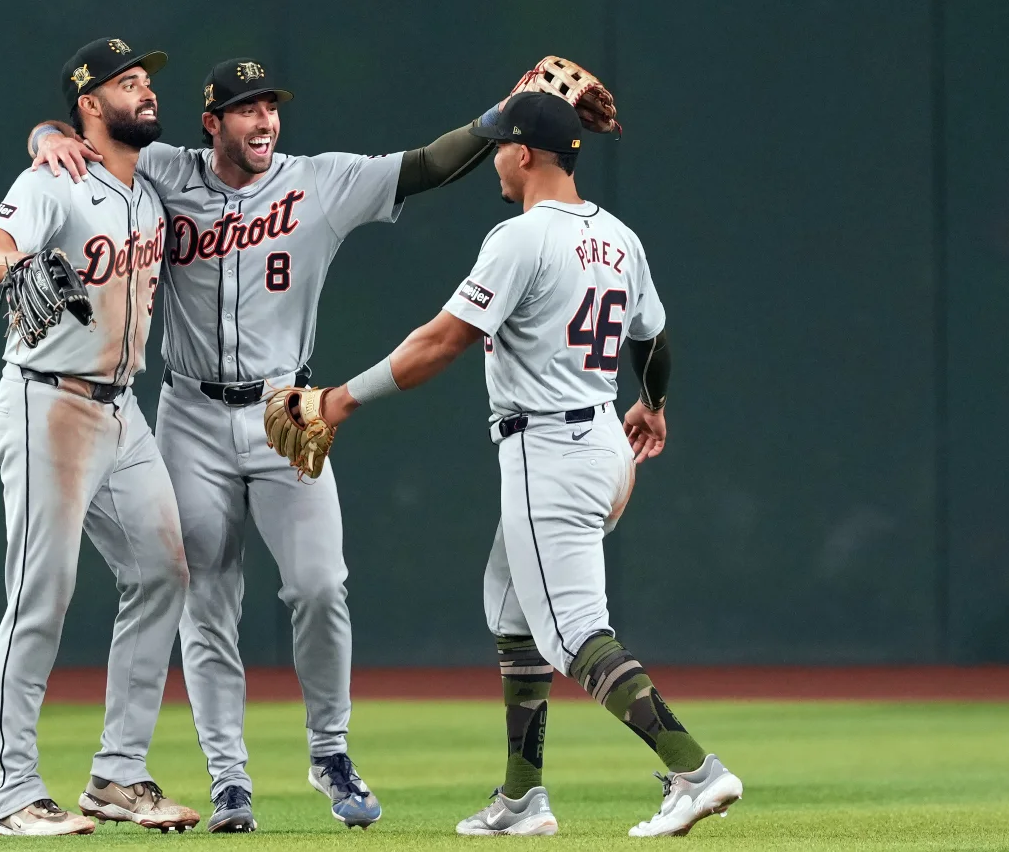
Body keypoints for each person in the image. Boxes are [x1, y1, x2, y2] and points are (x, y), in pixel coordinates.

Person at [25, 56, 505, 831]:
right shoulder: (167, 170)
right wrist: (46, 131)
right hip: (189, 411)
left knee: (320, 584)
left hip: (290, 407)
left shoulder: (322, 179)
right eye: (245, 109)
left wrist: (500, 118)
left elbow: (423, 167)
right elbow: (90, 138)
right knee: (205, 597)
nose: (263, 121)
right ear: (212, 122)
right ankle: (228, 779)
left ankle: (330, 751)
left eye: (270, 107)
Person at [275, 92, 745, 838]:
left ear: (524, 154)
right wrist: (652, 403)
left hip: (548, 450)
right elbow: (651, 336)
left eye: (499, 144)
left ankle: (695, 770)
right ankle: (523, 798)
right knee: (511, 606)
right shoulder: (619, 236)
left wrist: (339, 400)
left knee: (575, 632)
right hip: (601, 445)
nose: (492, 155)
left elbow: (442, 341)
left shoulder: (519, 238)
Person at [0, 36, 199, 836]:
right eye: (126, 84)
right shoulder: (52, 179)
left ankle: (118, 774)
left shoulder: (151, 181)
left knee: (164, 572)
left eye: (146, 81)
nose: (145, 92)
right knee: (42, 594)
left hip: (121, 407)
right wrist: (14, 266)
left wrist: (43, 127)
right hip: (48, 403)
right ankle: (14, 792)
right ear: (90, 104)